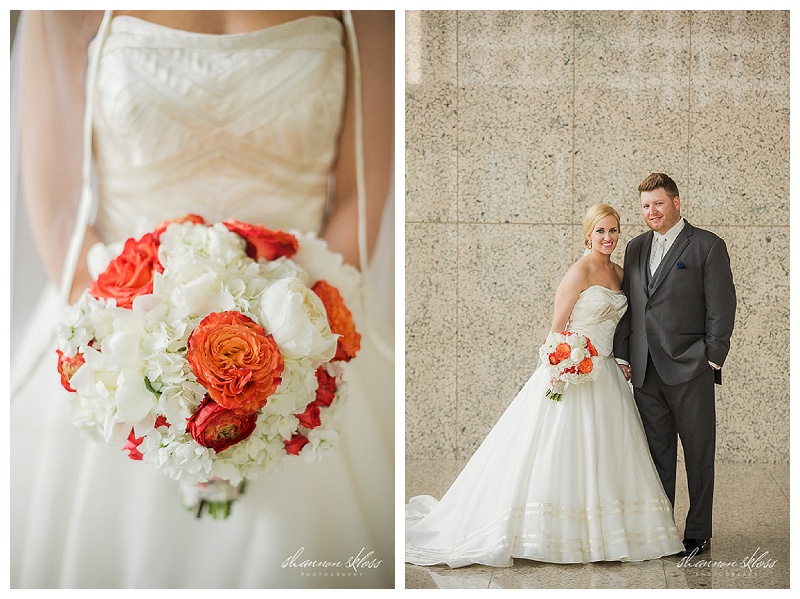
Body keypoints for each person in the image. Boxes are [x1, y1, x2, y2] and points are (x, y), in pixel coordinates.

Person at [11, 10, 394, 588]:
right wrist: (130, 353)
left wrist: (295, 367)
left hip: (307, 328)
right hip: (116, 327)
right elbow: (60, 206)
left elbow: (357, 200)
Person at [405, 204, 684, 567]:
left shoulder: (619, 272)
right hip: (570, 372)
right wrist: (562, 364)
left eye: (613, 231)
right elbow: (556, 330)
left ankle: (611, 532)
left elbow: (624, 325)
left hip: (607, 375)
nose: (608, 238)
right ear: (588, 234)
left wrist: (619, 358)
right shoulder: (579, 272)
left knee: (607, 452)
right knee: (558, 450)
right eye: (600, 231)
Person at [613, 173, 736, 558]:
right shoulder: (634, 248)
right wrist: (622, 353)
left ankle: (697, 532)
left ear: (676, 203)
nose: (652, 211)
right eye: (646, 205)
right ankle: (661, 528)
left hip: (691, 368)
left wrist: (711, 357)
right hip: (645, 370)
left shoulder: (707, 246)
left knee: (699, 453)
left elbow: (722, 307)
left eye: (659, 203)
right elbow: (630, 305)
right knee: (656, 455)